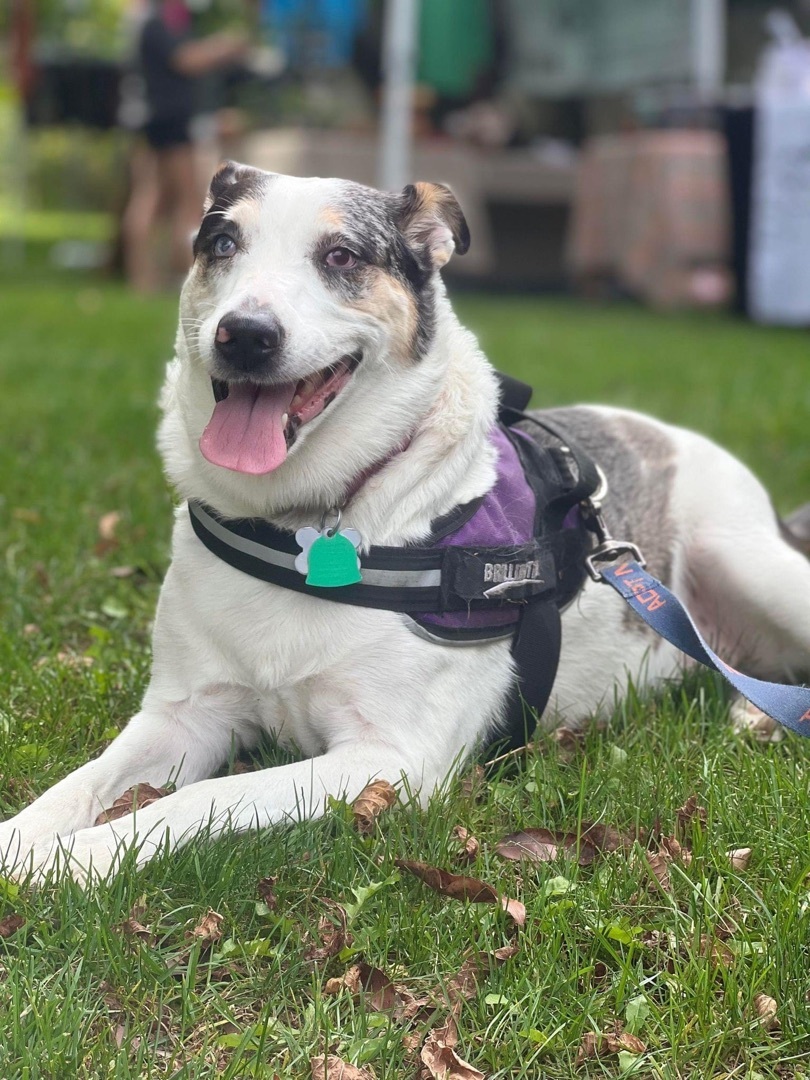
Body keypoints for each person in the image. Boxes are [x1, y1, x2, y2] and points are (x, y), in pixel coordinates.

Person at [122, 0, 249, 292]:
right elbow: (186, 59)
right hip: (170, 120)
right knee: (187, 199)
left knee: (150, 196)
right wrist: (225, 47)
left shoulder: (147, 17)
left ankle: (145, 278)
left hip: (154, 118)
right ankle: (186, 275)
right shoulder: (156, 20)